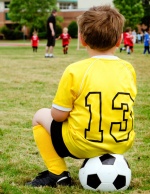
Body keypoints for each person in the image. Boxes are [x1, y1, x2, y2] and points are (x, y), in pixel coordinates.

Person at [26, 5, 137, 187]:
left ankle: (57, 173)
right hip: (121, 143)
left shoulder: (75, 70)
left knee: (40, 116)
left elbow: (58, 116)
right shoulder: (128, 69)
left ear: (83, 40)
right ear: (119, 40)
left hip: (82, 144)